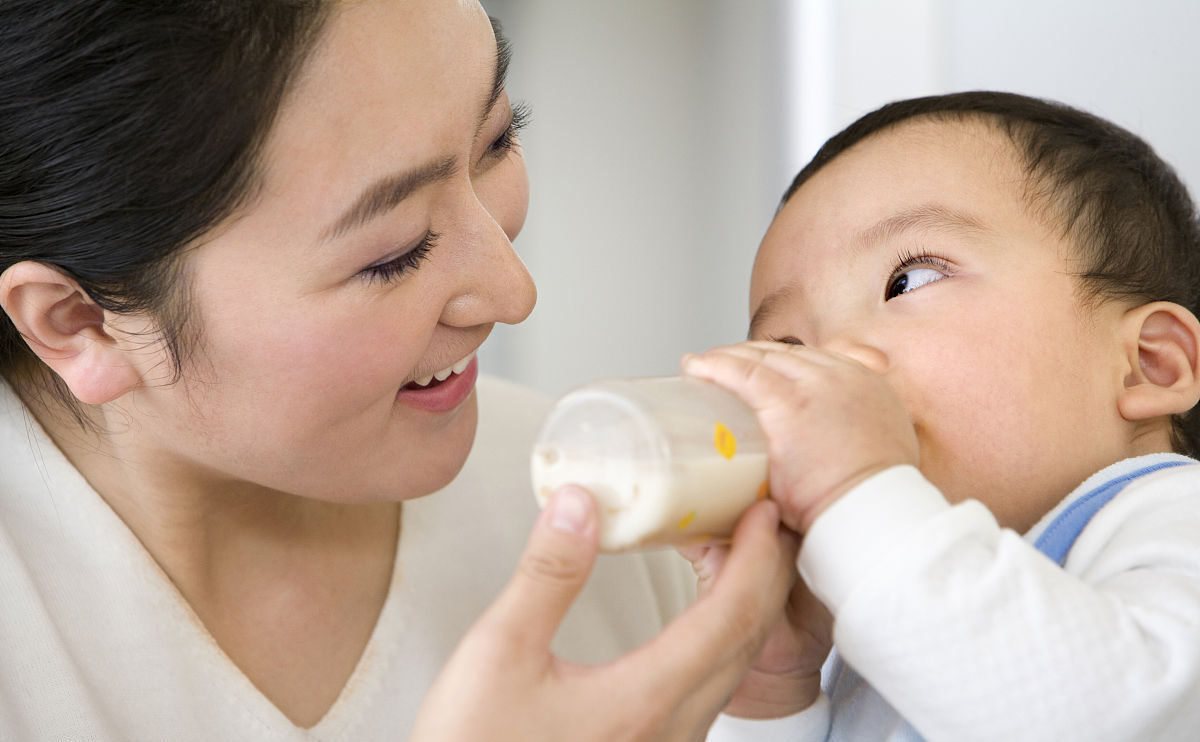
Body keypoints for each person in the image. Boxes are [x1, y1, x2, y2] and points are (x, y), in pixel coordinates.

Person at [0, 2, 801, 740]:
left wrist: (777, 701)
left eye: (496, 139)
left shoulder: (614, 511)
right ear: (82, 323)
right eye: (394, 253)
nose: (513, 293)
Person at [690, 91, 1200, 741]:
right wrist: (772, 691)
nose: (835, 360)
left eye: (909, 280)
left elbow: (1116, 716)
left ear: (1147, 365)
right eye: (788, 348)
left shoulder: (1173, 519)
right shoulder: (879, 608)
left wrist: (854, 493)